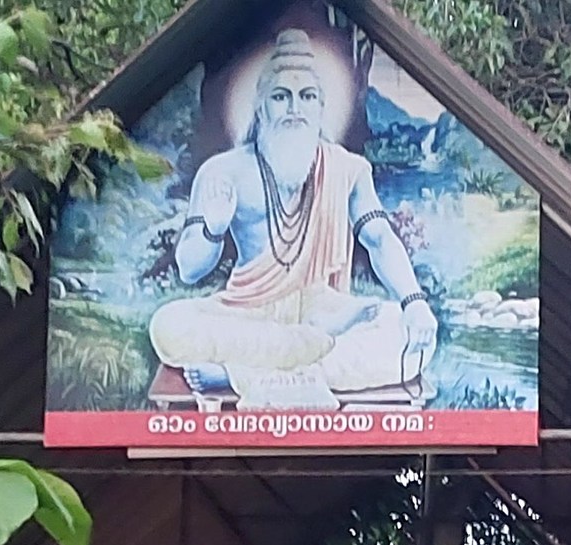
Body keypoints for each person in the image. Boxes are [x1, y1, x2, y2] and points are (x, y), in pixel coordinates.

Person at [149, 28, 440, 409]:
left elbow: (380, 238)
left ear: (322, 107)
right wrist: (213, 229)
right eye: (281, 97)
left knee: (409, 333)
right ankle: (304, 370)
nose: (294, 109)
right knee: (167, 325)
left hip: (324, 310)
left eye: (307, 97)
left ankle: (246, 377)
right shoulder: (223, 171)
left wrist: (415, 302)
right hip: (247, 312)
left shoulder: (348, 169)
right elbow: (189, 269)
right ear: (260, 106)